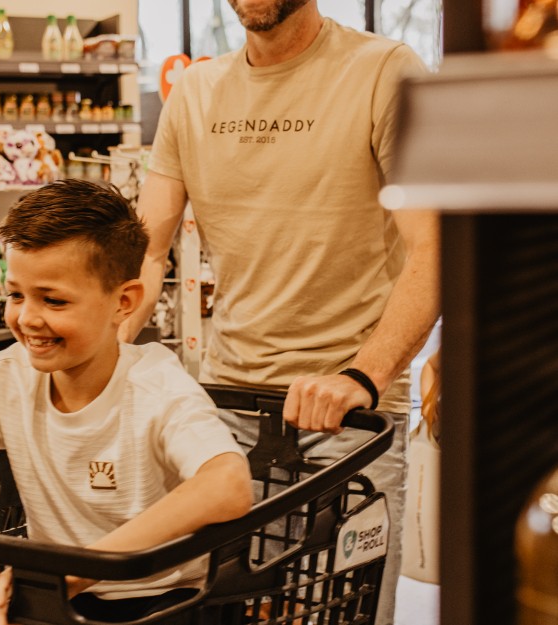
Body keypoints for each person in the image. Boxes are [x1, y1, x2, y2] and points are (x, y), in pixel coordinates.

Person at [120, 2, 440, 624]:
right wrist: (98, 347)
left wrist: (363, 375)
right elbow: (146, 253)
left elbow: (434, 249)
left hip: (349, 425)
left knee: (341, 613)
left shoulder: (384, 71)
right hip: (226, 416)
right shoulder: (195, 92)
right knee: (238, 613)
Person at [0, 179, 252, 624]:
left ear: (124, 301)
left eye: (54, 300)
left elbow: (228, 484)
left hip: (167, 600)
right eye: (15, 294)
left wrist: (71, 571)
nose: (27, 318)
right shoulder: (7, 379)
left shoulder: (157, 387)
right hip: (57, 597)